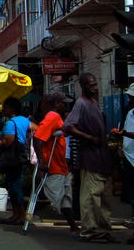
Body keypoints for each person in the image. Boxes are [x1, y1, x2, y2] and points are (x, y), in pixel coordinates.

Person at [64, 73, 117, 243]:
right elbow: (68, 127)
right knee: (90, 197)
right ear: (83, 86)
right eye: (91, 85)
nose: (94, 88)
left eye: (95, 84)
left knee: (103, 198)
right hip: (90, 158)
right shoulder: (81, 103)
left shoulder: (94, 103)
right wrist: (88, 137)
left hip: (101, 158)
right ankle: (90, 231)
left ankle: (103, 229)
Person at [32, 91, 79, 236]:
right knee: (57, 199)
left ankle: (73, 227)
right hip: (53, 166)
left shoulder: (57, 117)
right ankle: (30, 214)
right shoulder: (53, 116)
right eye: (63, 103)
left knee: (66, 198)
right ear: (57, 104)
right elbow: (38, 138)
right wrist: (42, 161)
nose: (66, 106)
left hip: (62, 166)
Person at [0, 97, 31, 224]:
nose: (3, 110)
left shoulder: (10, 123)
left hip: (13, 158)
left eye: (5, 107)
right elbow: (36, 128)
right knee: (13, 186)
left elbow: (7, 142)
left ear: (11, 108)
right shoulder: (25, 120)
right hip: (20, 157)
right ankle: (16, 214)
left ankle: (21, 215)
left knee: (15, 187)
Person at [112, 83, 134, 244]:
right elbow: (123, 132)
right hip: (128, 159)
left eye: (132, 96)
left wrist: (125, 134)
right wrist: (120, 145)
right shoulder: (130, 113)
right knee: (131, 197)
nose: (129, 98)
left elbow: (126, 132)